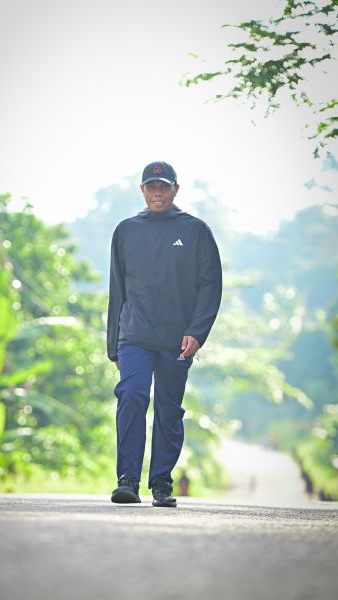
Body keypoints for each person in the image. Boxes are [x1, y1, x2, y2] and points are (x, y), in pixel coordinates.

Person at [107, 161, 222, 507]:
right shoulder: (126, 231)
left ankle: (161, 483)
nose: (158, 193)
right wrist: (113, 345)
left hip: (177, 339)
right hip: (134, 336)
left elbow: (210, 285)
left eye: (164, 187)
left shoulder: (196, 231)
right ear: (142, 190)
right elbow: (117, 289)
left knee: (168, 408)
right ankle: (127, 480)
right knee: (132, 396)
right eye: (151, 187)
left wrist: (197, 332)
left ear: (176, 189)